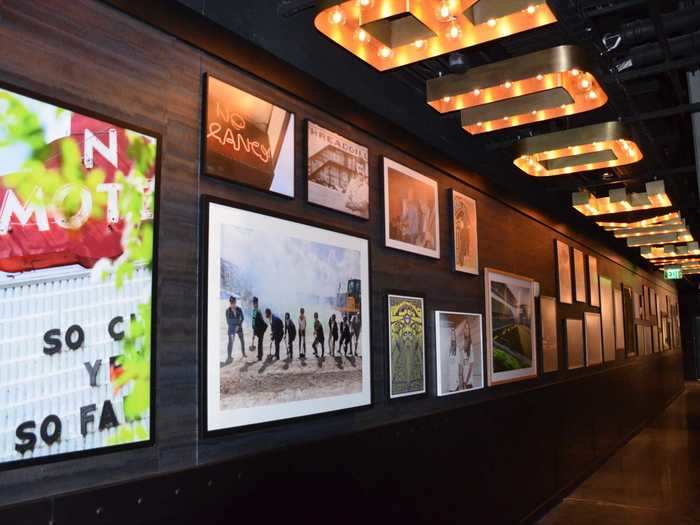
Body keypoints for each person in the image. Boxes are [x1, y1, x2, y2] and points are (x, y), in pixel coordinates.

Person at [225, 296, 246, 362]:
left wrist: (238, 325)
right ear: (230, 303)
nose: (233, 304)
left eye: (234, 303)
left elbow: (242, 318)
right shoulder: (227, 311)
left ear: (235, 302)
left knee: (242, 340)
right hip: (231, 329)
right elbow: (228, 321)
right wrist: (236, 322)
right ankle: (229, 357)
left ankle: (243, 353)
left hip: (239, 327)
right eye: (231, 303)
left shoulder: (239, 309)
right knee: (230, 342)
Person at [251, 296, 267, 361]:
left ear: (256, 303)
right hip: (258, 329)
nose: (254, 304)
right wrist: (254, 332)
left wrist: (255, 331)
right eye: (254, 303)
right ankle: (260, 355)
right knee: (259, 342)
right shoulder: (255, 310)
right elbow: (254, 322)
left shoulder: (257, 311)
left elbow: (257, 322)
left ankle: (260, 356)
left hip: (261, 329)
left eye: (255, 303)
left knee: (260, 342)